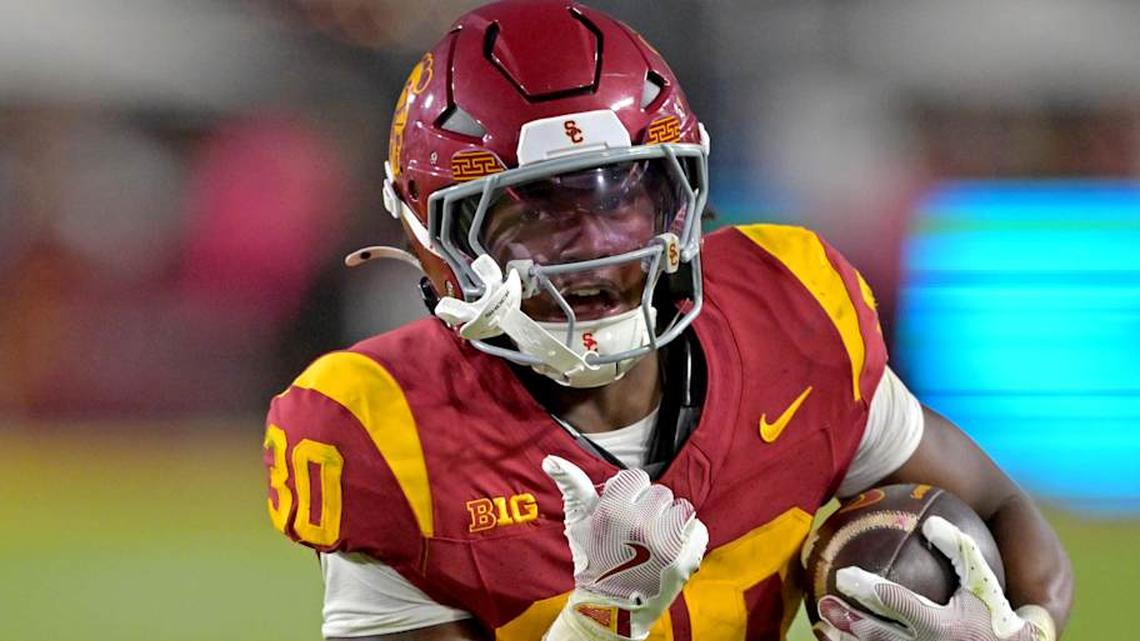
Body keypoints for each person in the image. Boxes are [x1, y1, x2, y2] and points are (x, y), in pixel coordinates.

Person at [261, 2, 1073, 640]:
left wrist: (1022, 629)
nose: (594, 249)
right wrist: (598, 621)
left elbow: (1004, 511)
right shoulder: (382, 429)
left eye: (621, 197)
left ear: (681, 198)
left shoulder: (791, 314)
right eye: (535, 212)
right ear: (433, 234)